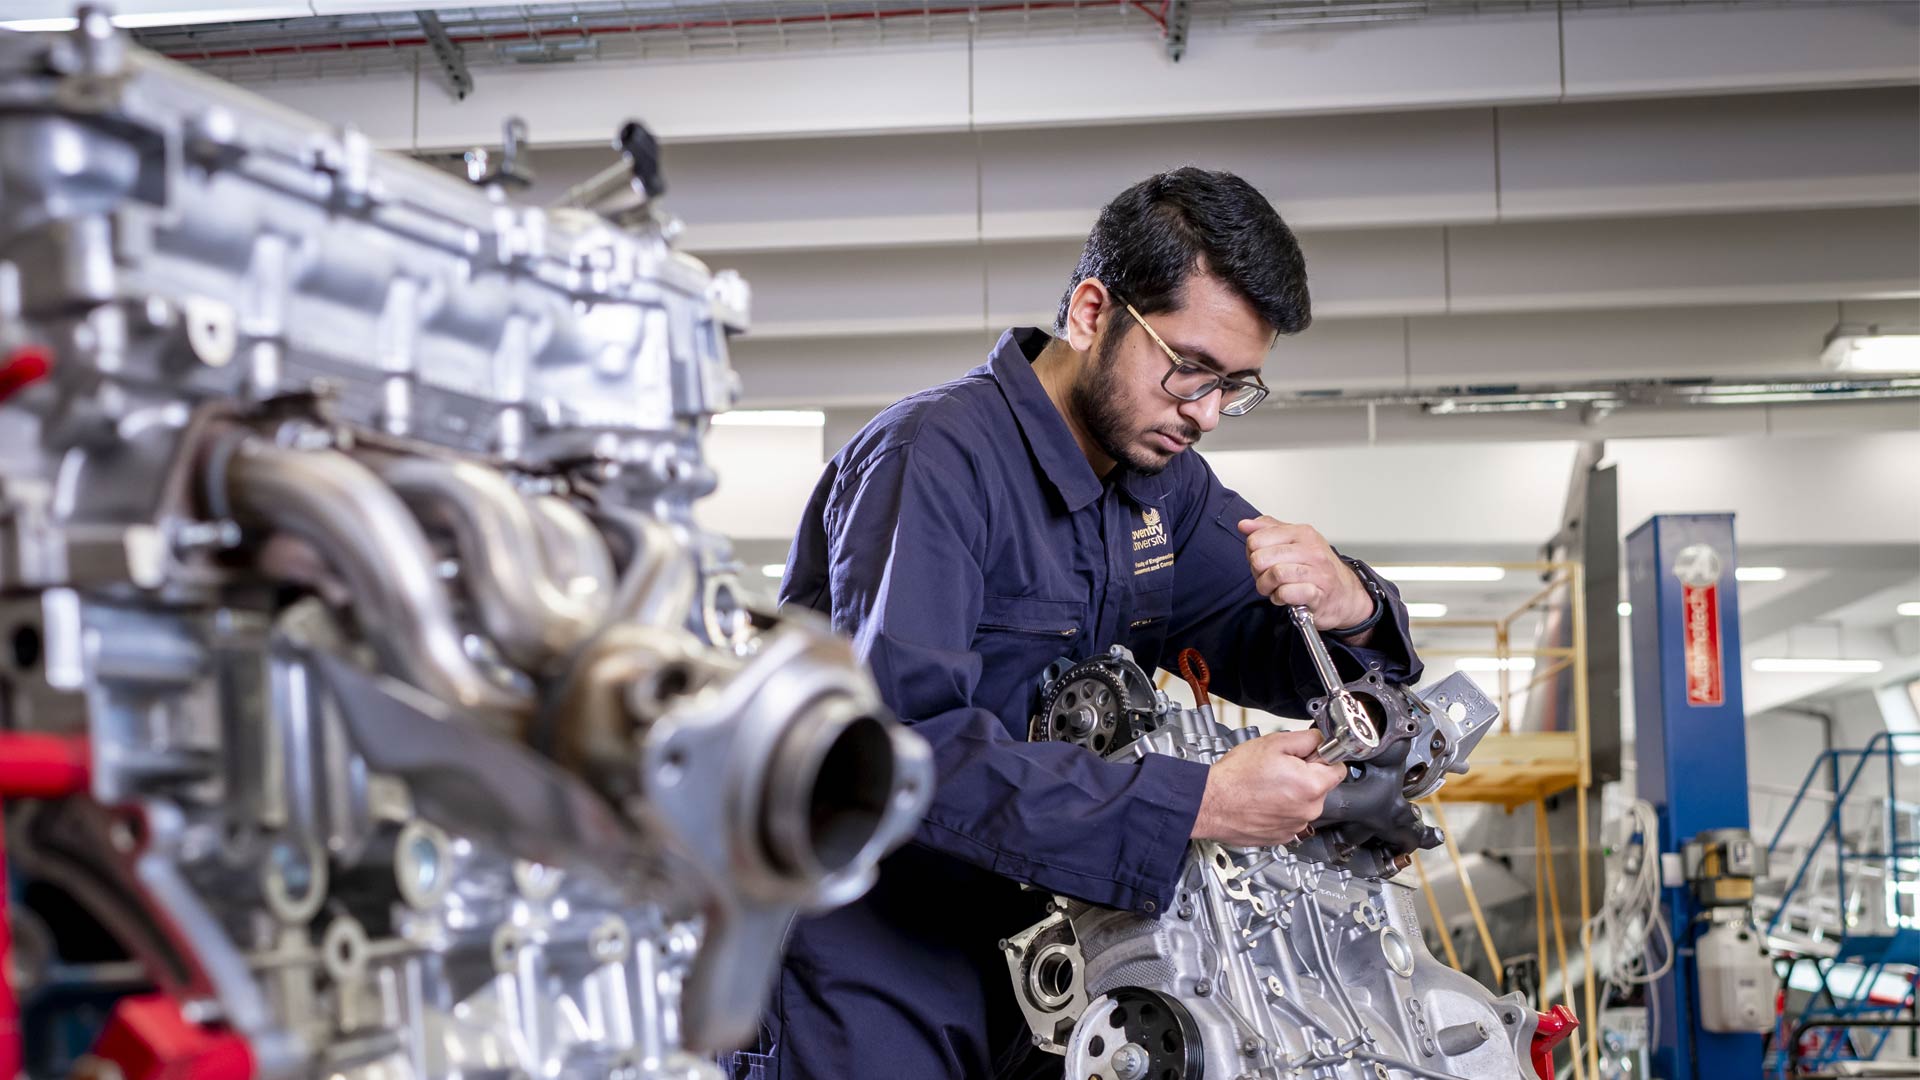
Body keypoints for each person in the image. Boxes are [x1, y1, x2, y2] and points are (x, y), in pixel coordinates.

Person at [761, 167, 1422, 1079]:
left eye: (1237, 386)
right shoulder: (934, 463)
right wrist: (1199, 801)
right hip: (871, 959)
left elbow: (1277, 647)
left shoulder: (1165, 491)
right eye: (1190, 369)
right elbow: (894, 759)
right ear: (1090, 311)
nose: (1207, 414)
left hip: (1049, 961)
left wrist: (1351, 603)